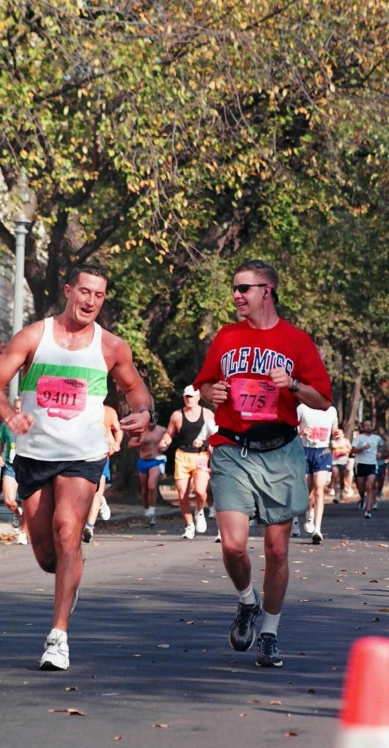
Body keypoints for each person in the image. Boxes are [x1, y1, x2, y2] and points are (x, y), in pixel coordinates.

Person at [0, 262, 153, 671]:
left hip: (83, 454)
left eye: (98, 295)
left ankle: (57, 637)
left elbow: (136, 389)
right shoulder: (34, 336)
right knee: (46, 551)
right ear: (68, 291)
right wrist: (8, 415)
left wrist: (144, 413)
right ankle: (68, 575)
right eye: (84, 292)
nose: (90, 301)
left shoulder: (111, 346)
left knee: (67, 529)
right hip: (35, 453)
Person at [194, 259, 332, 668]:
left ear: (266, 290)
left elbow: (323, 400)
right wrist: (211, 393)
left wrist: (294, 386)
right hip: (232, 448)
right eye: (234, 289)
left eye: (244, 289)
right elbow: (203, 385)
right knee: (234, 546)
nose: (237, 296)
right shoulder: (226, 336)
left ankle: (269, 633)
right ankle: (246, 601)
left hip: (281, 451)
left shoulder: (296, 341)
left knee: (276, 549)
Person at [158, 385, 215, 540]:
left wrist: (213, 444)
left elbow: (214, 432)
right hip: (182, 456)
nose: (189, 399)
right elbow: (169, 434)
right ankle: (189, 526)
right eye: (186, 396)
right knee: (182, 493)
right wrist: (164, 441)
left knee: (200, 490)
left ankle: (200, 510)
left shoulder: (207, 414)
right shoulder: (177, 415)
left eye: (192, 396)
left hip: (201, 455)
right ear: (183, 397)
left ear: (198, 398)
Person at [297, 402, 338, 544]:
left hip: (322, 451)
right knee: (307, 491)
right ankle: (309, 513)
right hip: (305, 450)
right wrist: (302, 432)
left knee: (319, 490)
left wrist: (337, 433)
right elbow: (291, 428)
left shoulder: (331, 410)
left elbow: (335, 429)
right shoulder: (302, 408)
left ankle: (317, 529)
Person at [82, 404, 123, 542]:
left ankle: (89, 527)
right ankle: (101, 502)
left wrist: (117, 443)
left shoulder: (109, 412)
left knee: (97, 492)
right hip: (82, 457)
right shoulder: (80, 409)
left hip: (102, 456)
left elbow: (118, 430)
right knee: (84, 493)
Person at [0, 397, 28, 544]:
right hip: (10, 465)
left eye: (22, 408)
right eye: (17, 409)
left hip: (27, 466)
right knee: (9, 500)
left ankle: (23, 532)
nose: (19, 411)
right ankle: (17, 513)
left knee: (27, 501)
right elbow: (0, 440)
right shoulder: (7, 425)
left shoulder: (33, 425)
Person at [128, 416, 167, 527]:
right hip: (143, 461)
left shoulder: (162, 430)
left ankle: (152, 513)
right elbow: (130, 444)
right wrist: (140, 443)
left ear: (156, 420)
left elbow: (168, 441)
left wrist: (164, 446)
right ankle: (146, 511)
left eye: (153, 420)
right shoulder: (141, 430)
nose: (151, 423)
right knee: (144, 489)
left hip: (156, 460)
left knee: (152, 486)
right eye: (149, 421)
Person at [351, 420, 384, 519]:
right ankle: (362, 498)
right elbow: (352, 451)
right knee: (361, 488)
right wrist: (362, 448)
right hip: (360, 464)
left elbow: (382, 446)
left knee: (370, 487)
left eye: (370, 425)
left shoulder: (377, 438)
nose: (368, 427)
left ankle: (368, 510)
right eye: (366, 425)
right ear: (363, 427)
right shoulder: (359, 438)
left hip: (372, 464)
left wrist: (380, 453)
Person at [330, 428, 352, 502]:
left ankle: (341, 491)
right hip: (334, 462)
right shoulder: (332, 442)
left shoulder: (345, 441)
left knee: (342, 479)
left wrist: (344, 452)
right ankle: (336, 496)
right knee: (335, 478)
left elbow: (351, 449)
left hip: (344, 462)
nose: (337, 434)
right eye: (336, 433)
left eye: (339, 433)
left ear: (342, 434)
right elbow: (329, 451)